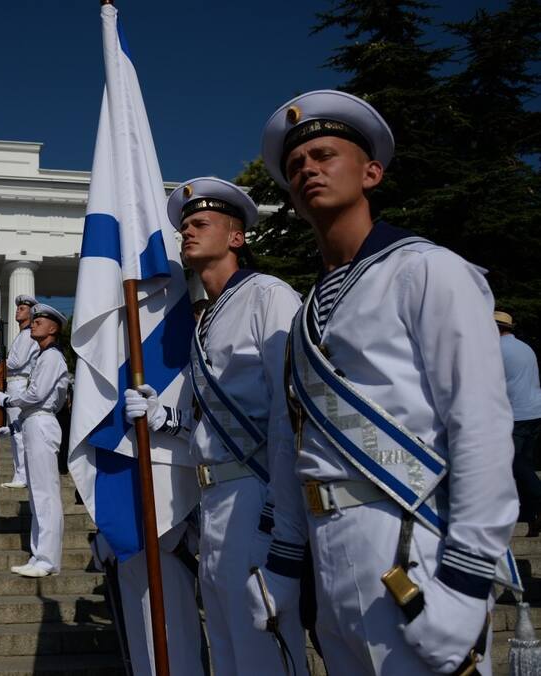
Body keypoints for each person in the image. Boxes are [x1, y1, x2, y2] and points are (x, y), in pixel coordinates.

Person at [246, 89, 518, 675]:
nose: (307, 169)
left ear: (371, 172)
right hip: (330, 552)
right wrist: (284, 564)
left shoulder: (429, 269)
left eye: (323, 154)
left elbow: (481, 425)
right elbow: (292, 447)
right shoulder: (302, 318)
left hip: (411, 543)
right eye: (296, 165)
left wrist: (466, 579)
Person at [126, 177, 307, 675]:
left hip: (257, 493)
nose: (187, 232)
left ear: (236, 237)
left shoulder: (268, 296)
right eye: (184, 225)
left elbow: (290, 409)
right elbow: (220, 418)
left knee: (261, 641)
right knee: (226, 645)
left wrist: (279, 516)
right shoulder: (205, 318)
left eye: (201, 223)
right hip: (214, 500)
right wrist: (168, 419)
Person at [0, 303, 69, 578]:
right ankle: (39, 555)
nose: (34, 323)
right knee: (37, 493)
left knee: (45, 493)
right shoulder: (43, 357)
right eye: (34, 320)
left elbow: (36, 394)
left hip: (41, 419)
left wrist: (8, 399)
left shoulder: (52, 358)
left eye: (40, 320)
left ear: (53, 328)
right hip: (34, 420)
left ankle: (48, 559)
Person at [0, 294, 40, 489]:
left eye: (22, 308)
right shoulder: (22, 335)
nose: (18, 310)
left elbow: (16, 363)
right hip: (13, 383)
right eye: (18, 308)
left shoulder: (27, 336)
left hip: (20, 384)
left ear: (31, 313)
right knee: (16, 432)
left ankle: (22, 476)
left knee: (19, 433)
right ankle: (20, 473)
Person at [495, 311, 541, 536]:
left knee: (511, 462)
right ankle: (530, 518)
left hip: (517, 414)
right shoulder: (525, 348)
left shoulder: (497, 350)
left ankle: (538, 498)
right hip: (534, 411)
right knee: (524, 464)